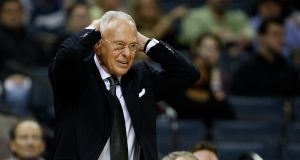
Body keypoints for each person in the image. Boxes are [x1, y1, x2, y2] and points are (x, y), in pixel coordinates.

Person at [48, 11, 200, 160]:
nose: (127, 53)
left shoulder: (141, 77)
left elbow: (188, 74)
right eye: (119, 45)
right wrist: (95, 27)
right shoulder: (74, 76)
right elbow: (68, 54)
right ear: (98, 45)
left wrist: (145, 43)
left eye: (132, 46)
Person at [230, 18, 299, 96]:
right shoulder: (246, 69)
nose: (281, 40)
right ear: (261, 37)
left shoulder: (288, 68)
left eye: (282, 35)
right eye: (275, 35)